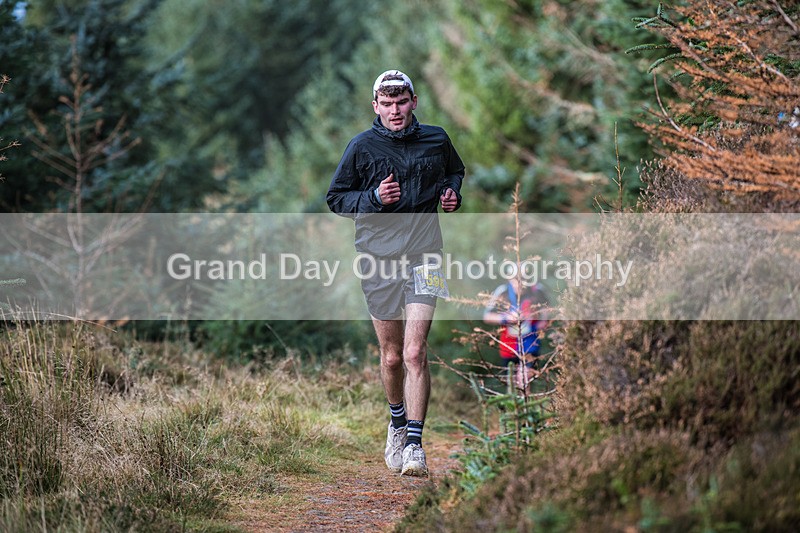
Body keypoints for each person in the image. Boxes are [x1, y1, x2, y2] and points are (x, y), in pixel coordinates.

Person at [327, 70, 465, 477]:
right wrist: (372, 197)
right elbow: (335, 199)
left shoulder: (437, 139)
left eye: (401, 102)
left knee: (415, 352)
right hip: (377, 259)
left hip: (427, 256)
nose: (395, 111)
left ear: (414, 101)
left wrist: (452, 193)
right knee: (390, 358)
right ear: (376, 106)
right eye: (386, 104)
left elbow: (454, 171)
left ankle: (416, 447)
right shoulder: (361, 147)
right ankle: (397, 423)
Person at [483, 278, 549, 393]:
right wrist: (506, 318)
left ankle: (526, 406)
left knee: (524, 378)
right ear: (510, 279)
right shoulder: (502, 291)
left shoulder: (537, 290)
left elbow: (546, 311)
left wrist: (539, 323)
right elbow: (487, 316)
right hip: (509, 345)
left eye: (523, 279)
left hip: (530, 342)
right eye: (516, 280)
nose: (520, 284)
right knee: (513, 383)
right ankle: (518, 407)